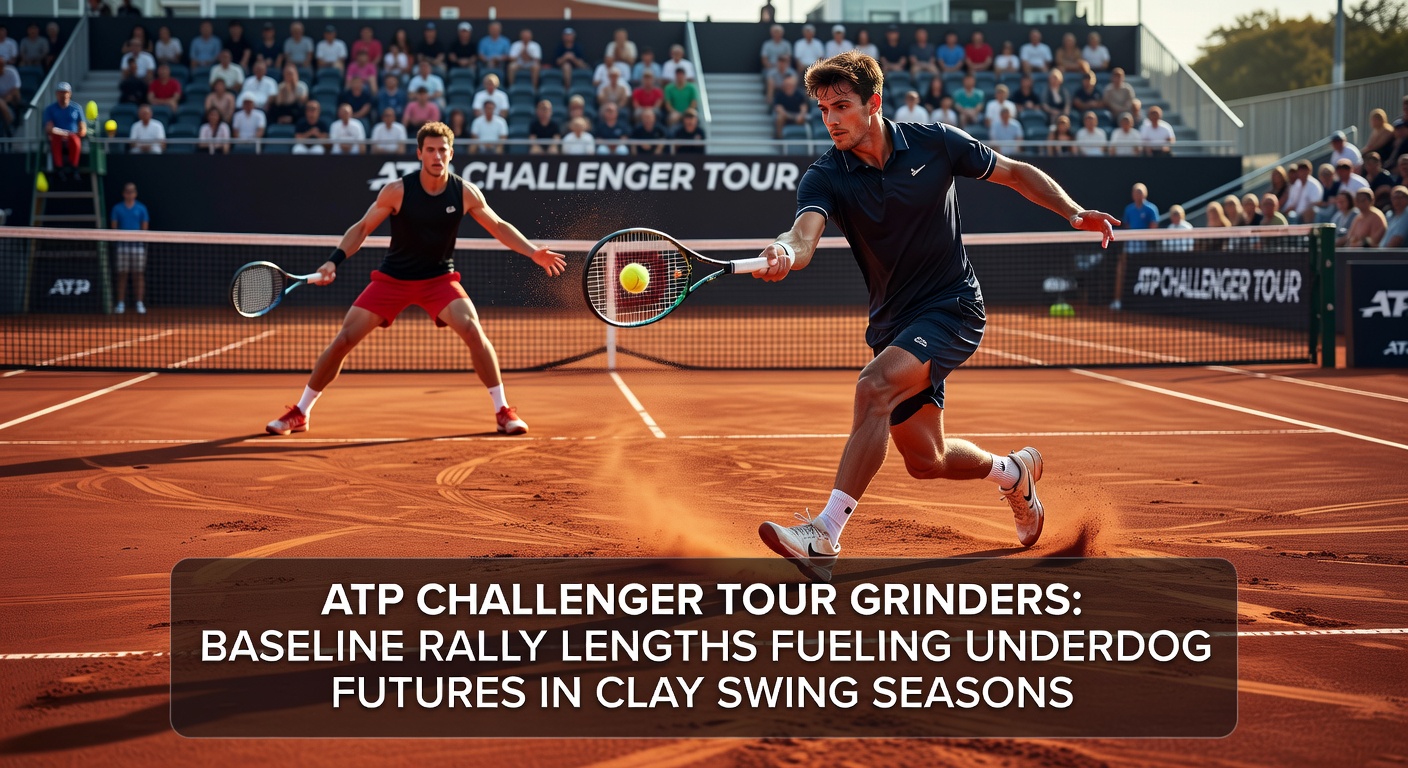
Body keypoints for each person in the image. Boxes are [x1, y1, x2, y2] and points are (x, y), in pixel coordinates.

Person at [752, 51, 1116, 581]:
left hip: (952, 306)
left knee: (873, 387)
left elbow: (1013, 173)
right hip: (893, 324)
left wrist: (1074, 212)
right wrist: (784, 252)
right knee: (927, 461)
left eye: (842, 105)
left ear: (873, 104)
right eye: (822, 108)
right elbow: (803, 235)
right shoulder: (825, 175)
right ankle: (1013, 474)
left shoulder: (935, 142)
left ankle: (825, 534)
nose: (830, 118)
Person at [264, 121, 566, 438]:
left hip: (439, 280)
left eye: (443, 150)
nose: (437, 156)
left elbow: (499, 225)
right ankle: (301, 411)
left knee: (473, 330)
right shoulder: (397, 191)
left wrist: (533, 252)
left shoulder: (464, 192)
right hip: (392, 279)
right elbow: (362, 227)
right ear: (420, 153)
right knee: (344, 339)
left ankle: (503, 411)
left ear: (451, 153)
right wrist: (333, 261)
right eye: (431, 150)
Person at [1108, 182, 1156, 311]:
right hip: (1130, 244)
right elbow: (1127, 227)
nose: (1137, 195)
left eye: (1140, 192)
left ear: (1144, 194)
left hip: (1145, 246)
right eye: (1135, 193)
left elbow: (1154, 229)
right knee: (1121, 268)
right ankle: (1117, 301)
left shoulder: (1151, 209)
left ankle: (1145, 303)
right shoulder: (1129, 209)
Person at [110, 182, 150, 315]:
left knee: (138, 275)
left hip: (137, 247)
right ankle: (120, 303)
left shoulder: (141, 208)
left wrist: (140, 239)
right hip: (122, 247)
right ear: (123, 193)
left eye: (132, 191)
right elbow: (114, 227)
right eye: (127, 191)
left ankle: (139, 303)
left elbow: (144, 227)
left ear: (135, 193)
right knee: (122, 275)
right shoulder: (117, 208)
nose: (130, 194)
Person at [43, 82, 86, 181]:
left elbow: (82, 128)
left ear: (70, 93)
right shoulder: (50, 109)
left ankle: (74, 167)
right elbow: (49, 128)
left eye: (66, 92)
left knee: (74, 139)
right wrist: (64, 133)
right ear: (57, 94)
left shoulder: (77, 108)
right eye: (61, 92)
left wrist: (75, 133)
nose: (64, 95)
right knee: (56, 138)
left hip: (73, 138)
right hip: (57, 138)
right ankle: (59, 168)